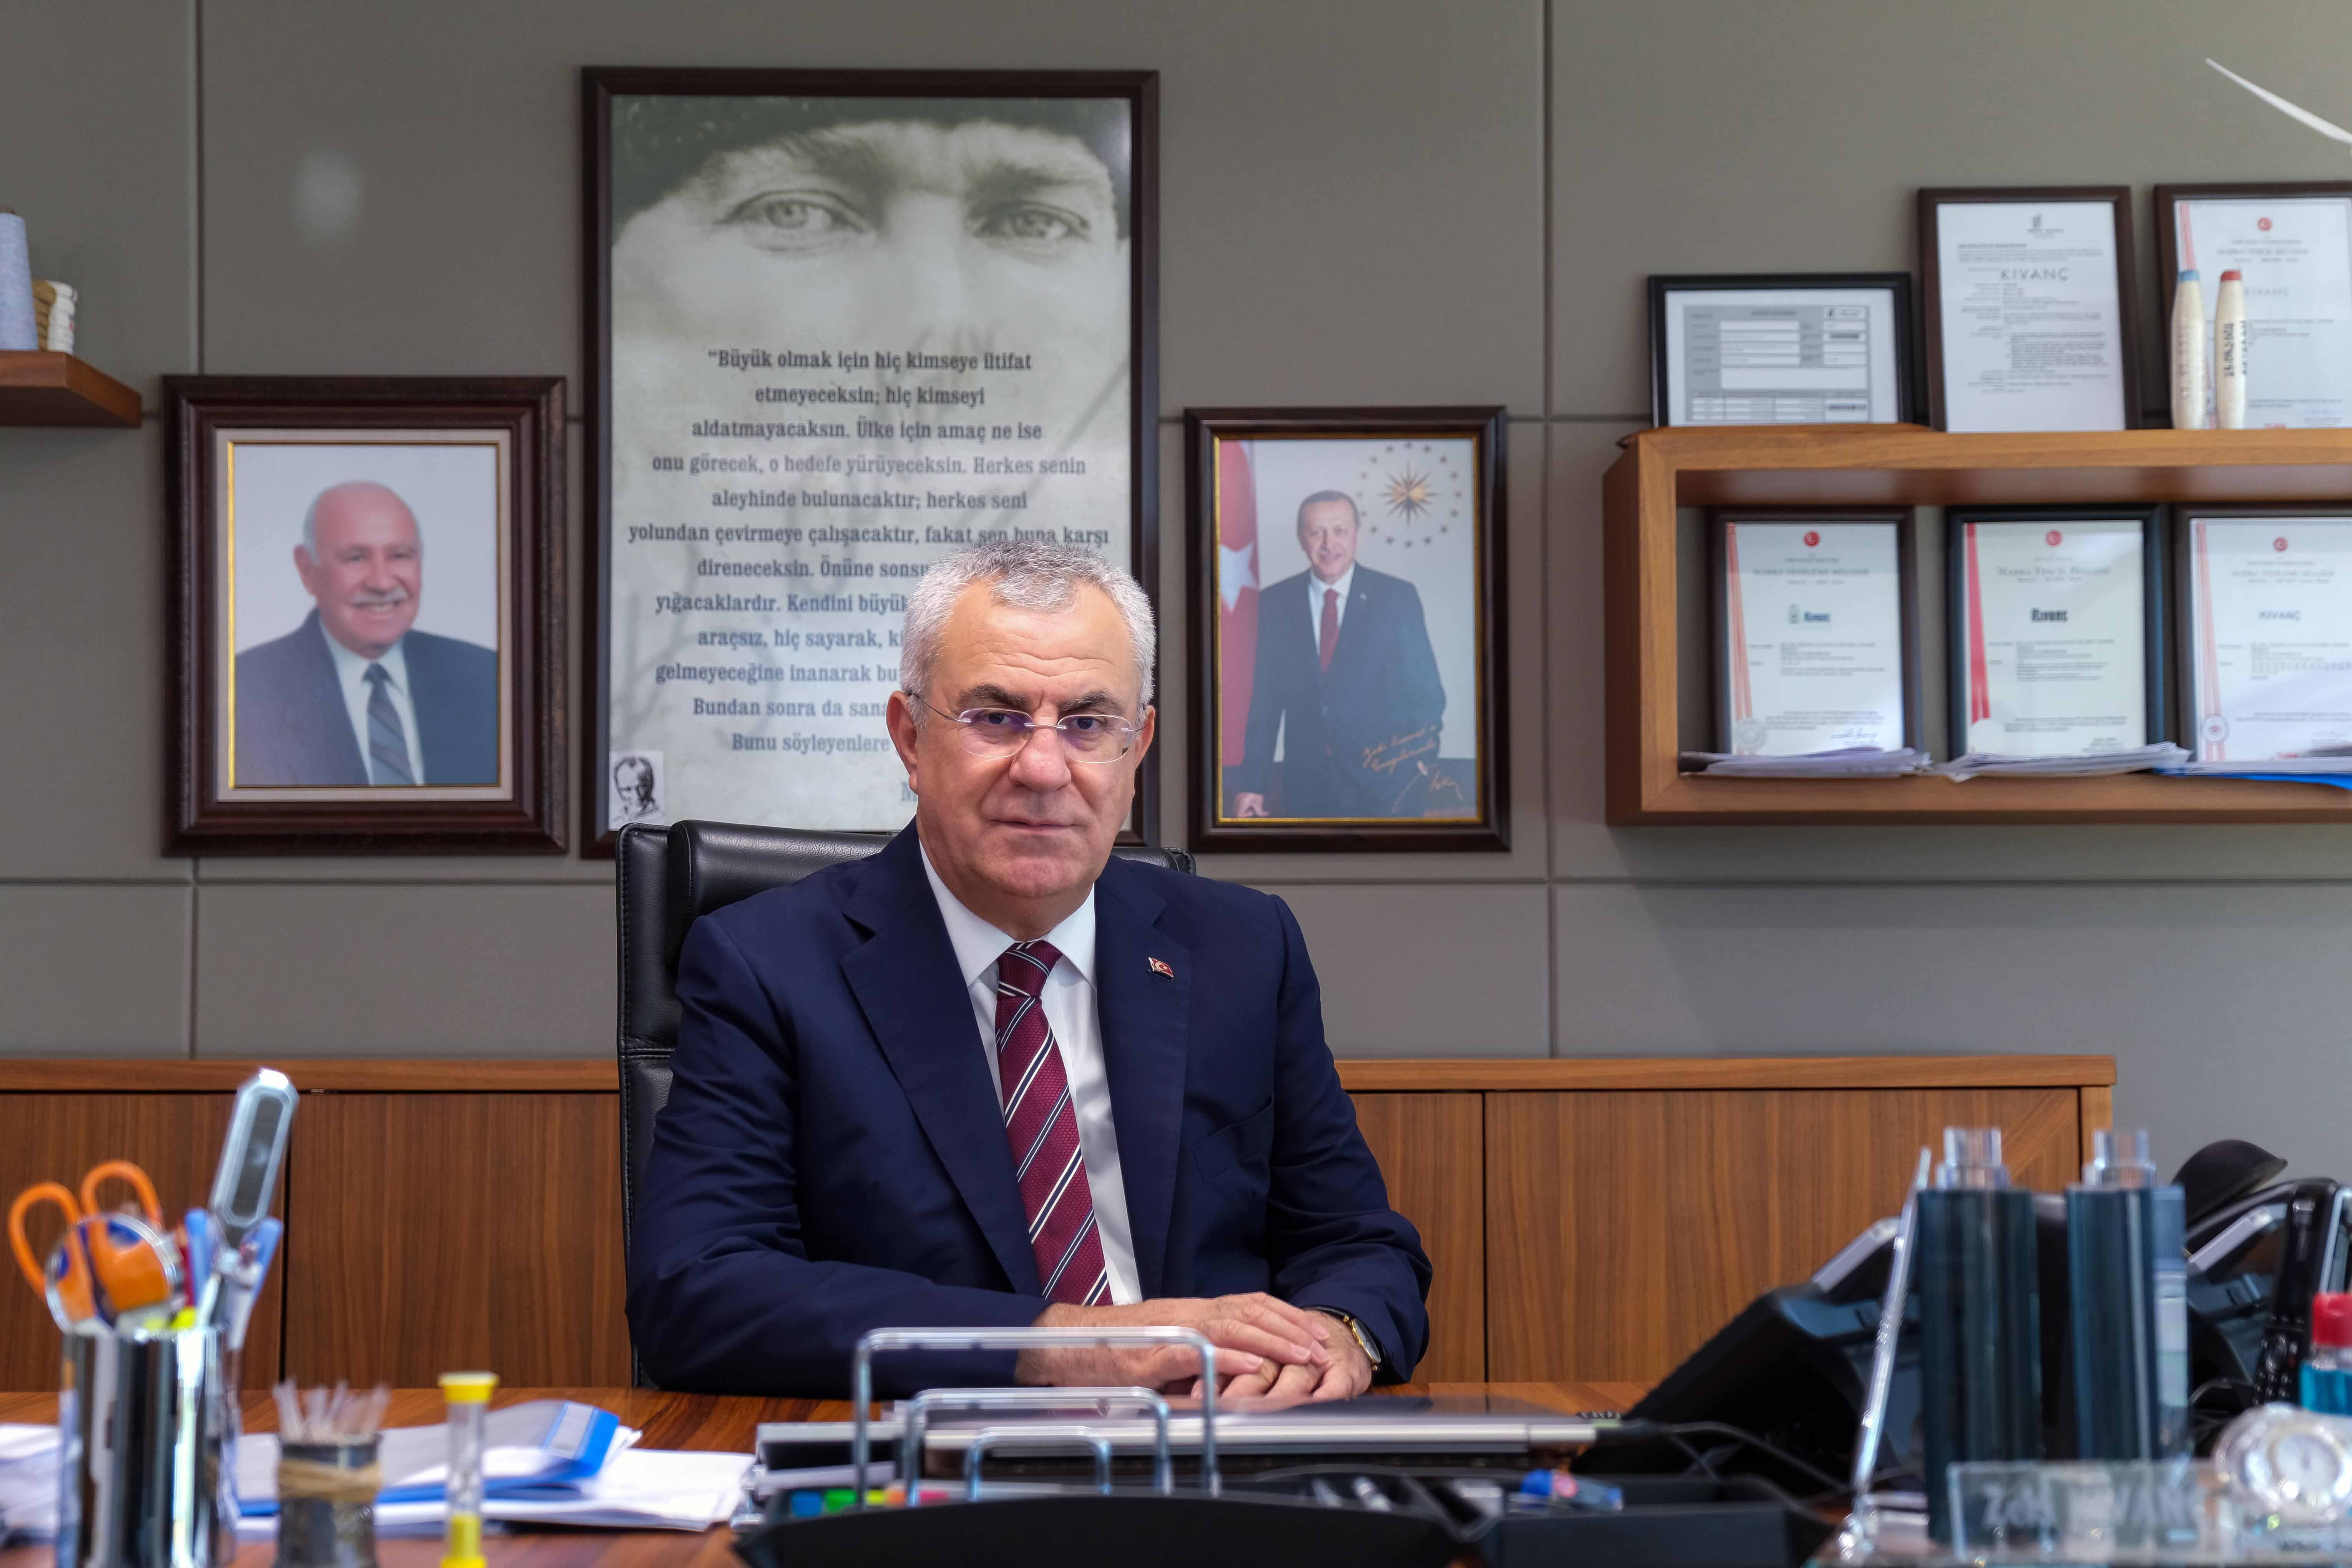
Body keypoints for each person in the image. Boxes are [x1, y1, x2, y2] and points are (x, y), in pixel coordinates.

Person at [629, 540, 1431, 1398]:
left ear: (1137, 748)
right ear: (909, 737)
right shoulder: (767, 964)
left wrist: (1338, 1337)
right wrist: (1070, 1344)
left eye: (1087, 723)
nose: (1044, 769)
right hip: (931, 1453)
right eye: (995, 717)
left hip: (1216, 1440)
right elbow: (698, 1291)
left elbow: (1356, 1242)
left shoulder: (1243, 946)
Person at [232, 481, 498, 788]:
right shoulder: (242, 694)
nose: (382, 583)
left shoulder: (489, 677)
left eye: (400, 555)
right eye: (356, 558)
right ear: (307, 569)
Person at [1233, 491, 1447, 819]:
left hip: (1388, 786)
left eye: (1340, 531)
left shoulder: (1396, 598)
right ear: (1301, 538)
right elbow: (1265, 702)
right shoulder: (1276, 603)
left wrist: (1418, 765)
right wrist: (1253, 783)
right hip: (1306, 785)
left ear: (1357, 534)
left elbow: (1426, 695)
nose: (1328, 544)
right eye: (1316, 532)